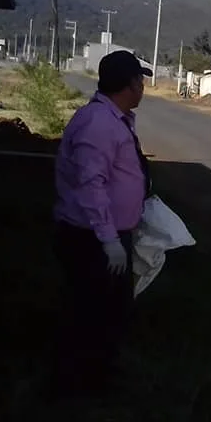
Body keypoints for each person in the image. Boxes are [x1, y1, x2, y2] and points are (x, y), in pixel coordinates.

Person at [52, 50, 153, 397]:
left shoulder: (115, 118)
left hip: (106, 234)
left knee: (111, 312)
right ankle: (78, 387)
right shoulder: (98, 123)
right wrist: (109, 240)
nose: (143, 86)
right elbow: (90, 184)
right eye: (140, 80)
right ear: (128, 84)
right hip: (90, 238)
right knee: (90, 315)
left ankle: (101, 375)